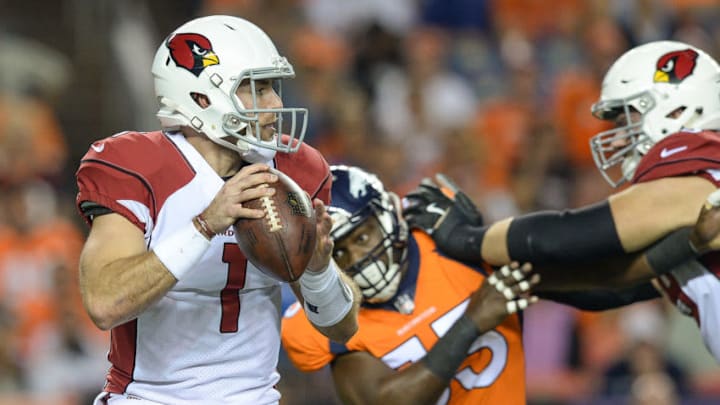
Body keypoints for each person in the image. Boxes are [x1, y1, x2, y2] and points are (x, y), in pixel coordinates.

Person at [74, 15, 360, 405]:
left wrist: (318, 269)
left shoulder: (295, 169)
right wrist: (205, 224)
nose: (275, 105)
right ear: (201, 98)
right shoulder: (140, 166)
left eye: (272, 88)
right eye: (254, 90)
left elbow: (341, 327)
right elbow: (105, 304)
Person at [403, 40, 720, 362]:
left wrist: (464, 238)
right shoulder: (697, 202)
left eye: (627, 121)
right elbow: (610, 283)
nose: (621, 138)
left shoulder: (700, 174)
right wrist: (495, 269)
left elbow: (571, 234)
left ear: (679, 110)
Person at [281, 165, 540, 404]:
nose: (358, 259)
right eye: (337, 252)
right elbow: (386, 401)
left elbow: (566, 276)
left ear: (388, 214)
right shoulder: (331, 322)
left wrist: (476, 240)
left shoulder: (447, 245)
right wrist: (470, 323)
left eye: (361, 236)